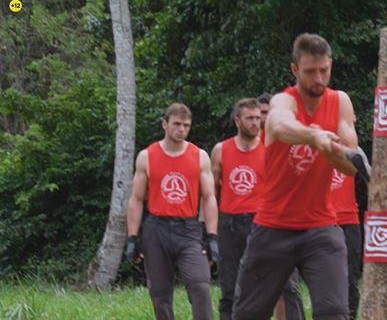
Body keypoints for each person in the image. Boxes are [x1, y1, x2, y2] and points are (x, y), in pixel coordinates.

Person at [232, 33, 360, 320]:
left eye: (324, 70)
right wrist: (314, 135)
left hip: (321, 227)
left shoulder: (340, 102)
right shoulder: (283, 101)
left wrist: (333, 152)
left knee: (334, 313)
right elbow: (278, 126)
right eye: (310, 72)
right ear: (294, 70)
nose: (318, 78)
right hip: (273, 226)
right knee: (248, 314)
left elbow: (350, 167)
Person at [211, 98, 304, 320]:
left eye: (257, 118)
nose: (255, 122)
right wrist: (209, 231)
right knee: (231, 288)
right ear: (237, 121)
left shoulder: (271, 147)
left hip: (266, 221)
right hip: (230, 222)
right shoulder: (221, 150)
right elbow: (211, 195)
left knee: (286, 285)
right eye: (250, 118)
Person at [125, 103, 219, 320]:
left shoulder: (200, 156)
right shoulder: (147, 156)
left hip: (188, 229)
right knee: (159, 294)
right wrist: (132, 238)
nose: (182, 129)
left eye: (186, 125)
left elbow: (209, 198)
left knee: (200, 285)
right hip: (156, 228)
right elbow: (136, 199)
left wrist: (212, 236)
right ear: (165, 125)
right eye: (177, 124)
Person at [330, 146, 370, 320]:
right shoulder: (314, 142)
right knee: (326, 278)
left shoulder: (355, 150)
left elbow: (370, 179)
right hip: (322, 221)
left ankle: (350, 316)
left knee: (351, 277)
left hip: (350, 221)